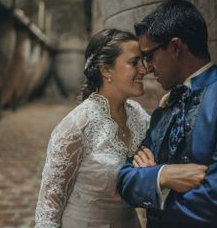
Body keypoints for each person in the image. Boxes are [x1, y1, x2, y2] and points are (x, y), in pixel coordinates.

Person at [117, 0, 217, 228]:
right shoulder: (162, 111)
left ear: (176, 47)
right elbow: (125, 179)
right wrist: (163, 176)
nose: (147, 68)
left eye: (149, 55)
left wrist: (155, 189)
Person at [35, 28, 151, 227]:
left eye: (143, 60)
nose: (144, 69)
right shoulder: (76, 126)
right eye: (134, 62)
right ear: (106, 70)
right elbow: (48, 208)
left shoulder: (139, 116)